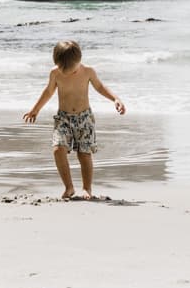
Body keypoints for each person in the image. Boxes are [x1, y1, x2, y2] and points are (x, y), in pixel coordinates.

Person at [22, 40, 126, 199]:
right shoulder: (55, 73)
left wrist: (115, 99)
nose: (67, 73)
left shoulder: (88, 71)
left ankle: (87, 188)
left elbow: (100, 87)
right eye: (63, 69)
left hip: (85, 119)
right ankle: (69, 187)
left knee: (84, 154)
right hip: (63, 118)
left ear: (79, 60)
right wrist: (35, 109)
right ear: (57, 63)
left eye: (71, 70)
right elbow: (48, 92)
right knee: (58, 149)